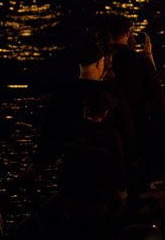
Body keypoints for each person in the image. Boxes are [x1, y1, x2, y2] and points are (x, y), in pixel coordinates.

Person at [29, 42, 137, 182]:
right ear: (99, 64)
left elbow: (49, 132)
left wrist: (37, 166)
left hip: (73, 170)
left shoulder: (63, 94)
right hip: (105, 169)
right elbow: (127, 129)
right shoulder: (113, 93)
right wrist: (131, 162)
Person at [98, 14, 165, 187]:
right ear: (128, 34)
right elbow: (157, 98)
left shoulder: (100, 62)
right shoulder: (139, 61)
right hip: (137, 127)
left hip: (106, 127)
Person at [58, 89, 127, 239]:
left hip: (72, 190)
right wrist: (120, 191)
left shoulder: (69, 129)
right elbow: (117, 164)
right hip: (99, 192)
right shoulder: (109, 134)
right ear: (105, 113)